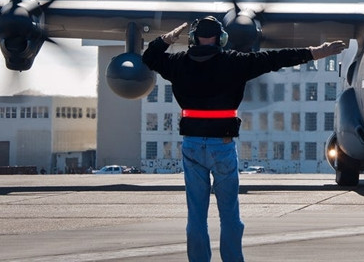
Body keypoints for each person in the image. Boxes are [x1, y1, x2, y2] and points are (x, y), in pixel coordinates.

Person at [142, 16, 345, 262]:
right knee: (230, 216)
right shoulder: (234, 62)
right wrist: (315, 52)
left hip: (192, 145)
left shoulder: (177, 63)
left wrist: (166, 39)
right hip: (223, 146)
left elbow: (149, 58)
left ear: (193, 38)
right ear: (221, 38)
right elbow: (274, 58)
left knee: (196, 217)